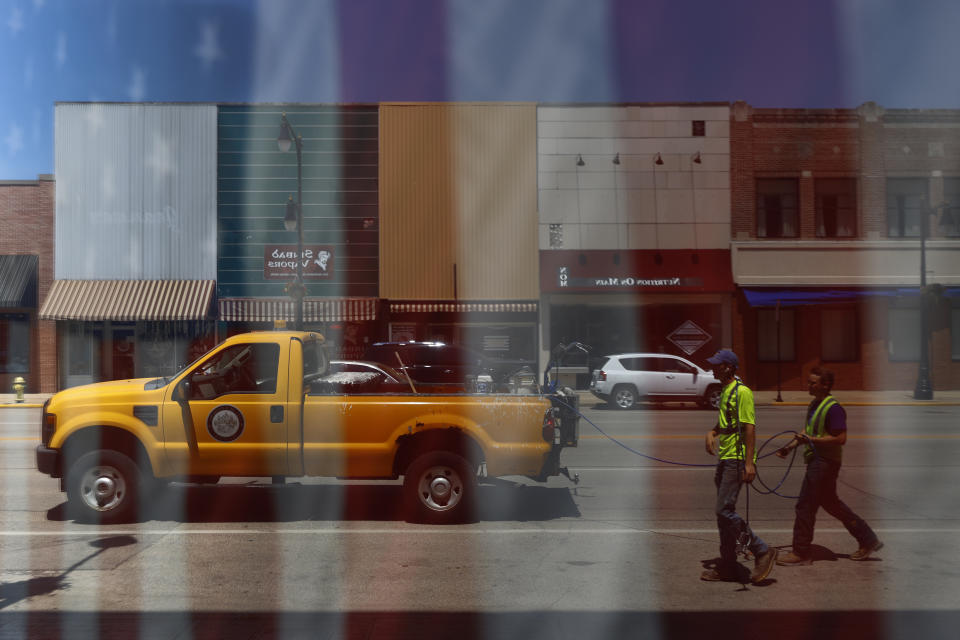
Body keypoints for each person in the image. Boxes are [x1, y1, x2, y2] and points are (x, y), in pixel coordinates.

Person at [775, 367, 883, 565]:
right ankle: (868, 539)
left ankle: (800, 552)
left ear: (825, 385)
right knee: (832, 505)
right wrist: (789, 448)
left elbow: (840, 438)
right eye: (808, 382)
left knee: (805, 505)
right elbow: (807, 432)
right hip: (817, 461)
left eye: (812, 383)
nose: (808, 385)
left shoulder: (833, 408)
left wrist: (813, 440)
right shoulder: (815, 404)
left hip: (825, 463)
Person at [701, 349, 778, 583]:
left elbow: (749, 427)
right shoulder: (725, 391)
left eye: (718, 364)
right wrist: (713, 431)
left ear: (730, 367)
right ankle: (727, 565)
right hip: (724, 458)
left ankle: (762, 549)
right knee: (722, 516)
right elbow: (726, 421)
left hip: (736, 459)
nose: (714, 368)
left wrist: (749, 463)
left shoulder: (742, 392)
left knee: (724, 511)